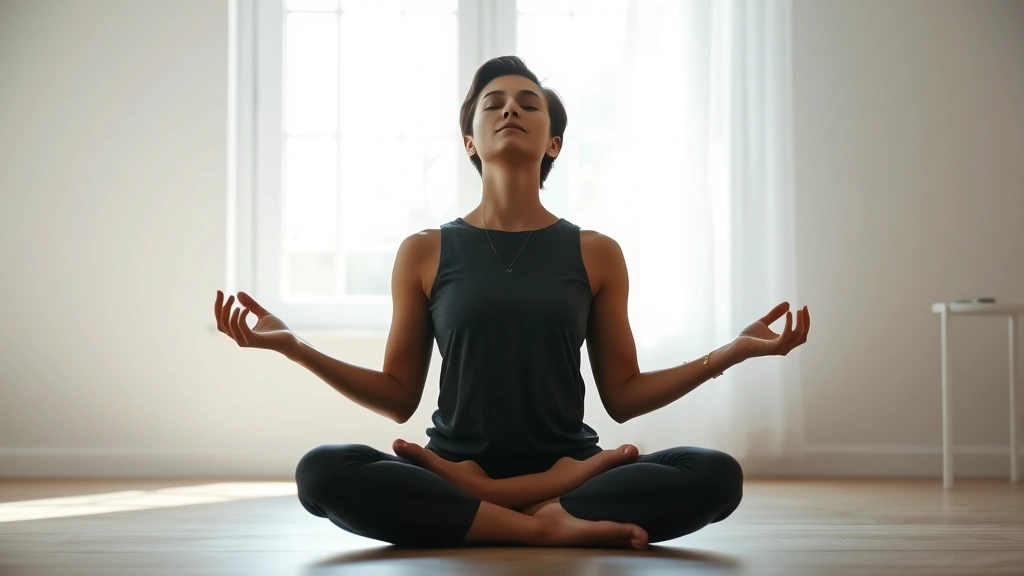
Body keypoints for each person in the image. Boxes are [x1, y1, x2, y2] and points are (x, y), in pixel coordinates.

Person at [213, 56, 810, 550]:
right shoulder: (423, 251)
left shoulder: (596, 252)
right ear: (470, 139)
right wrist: (293, 347)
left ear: (553, 142)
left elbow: (623, 396)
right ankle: (543, 526)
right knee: (322, 470)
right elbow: (398, 396)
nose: (510, 109)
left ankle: (488, 515)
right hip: (472, 467)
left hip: (552, 470)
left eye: (529, 102)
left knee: (716, 475)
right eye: (493, 102)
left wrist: (730, 353)